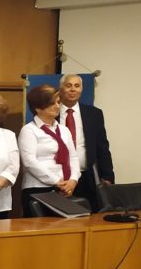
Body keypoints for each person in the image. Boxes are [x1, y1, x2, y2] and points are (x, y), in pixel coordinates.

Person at [59, 74, 115, 211]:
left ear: (81, 89)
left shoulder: (94, 114)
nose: (73, 89)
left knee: (90, 215)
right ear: (61, 89)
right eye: (68, 85)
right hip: (59, 178)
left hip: (87, 176)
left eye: (77, 86)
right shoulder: (51, 113)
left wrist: (107, 175)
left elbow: (102, 146)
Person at [18, 84, 80, 207]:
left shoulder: (64, 130)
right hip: (38, 188)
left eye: (58, 102)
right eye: (52, 103)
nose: (57, 106)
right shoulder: (29, 130)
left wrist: (73, 180)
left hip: (65, 187)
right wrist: (56, 181)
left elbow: (73, 157)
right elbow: (29, 161)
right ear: (38, 108)